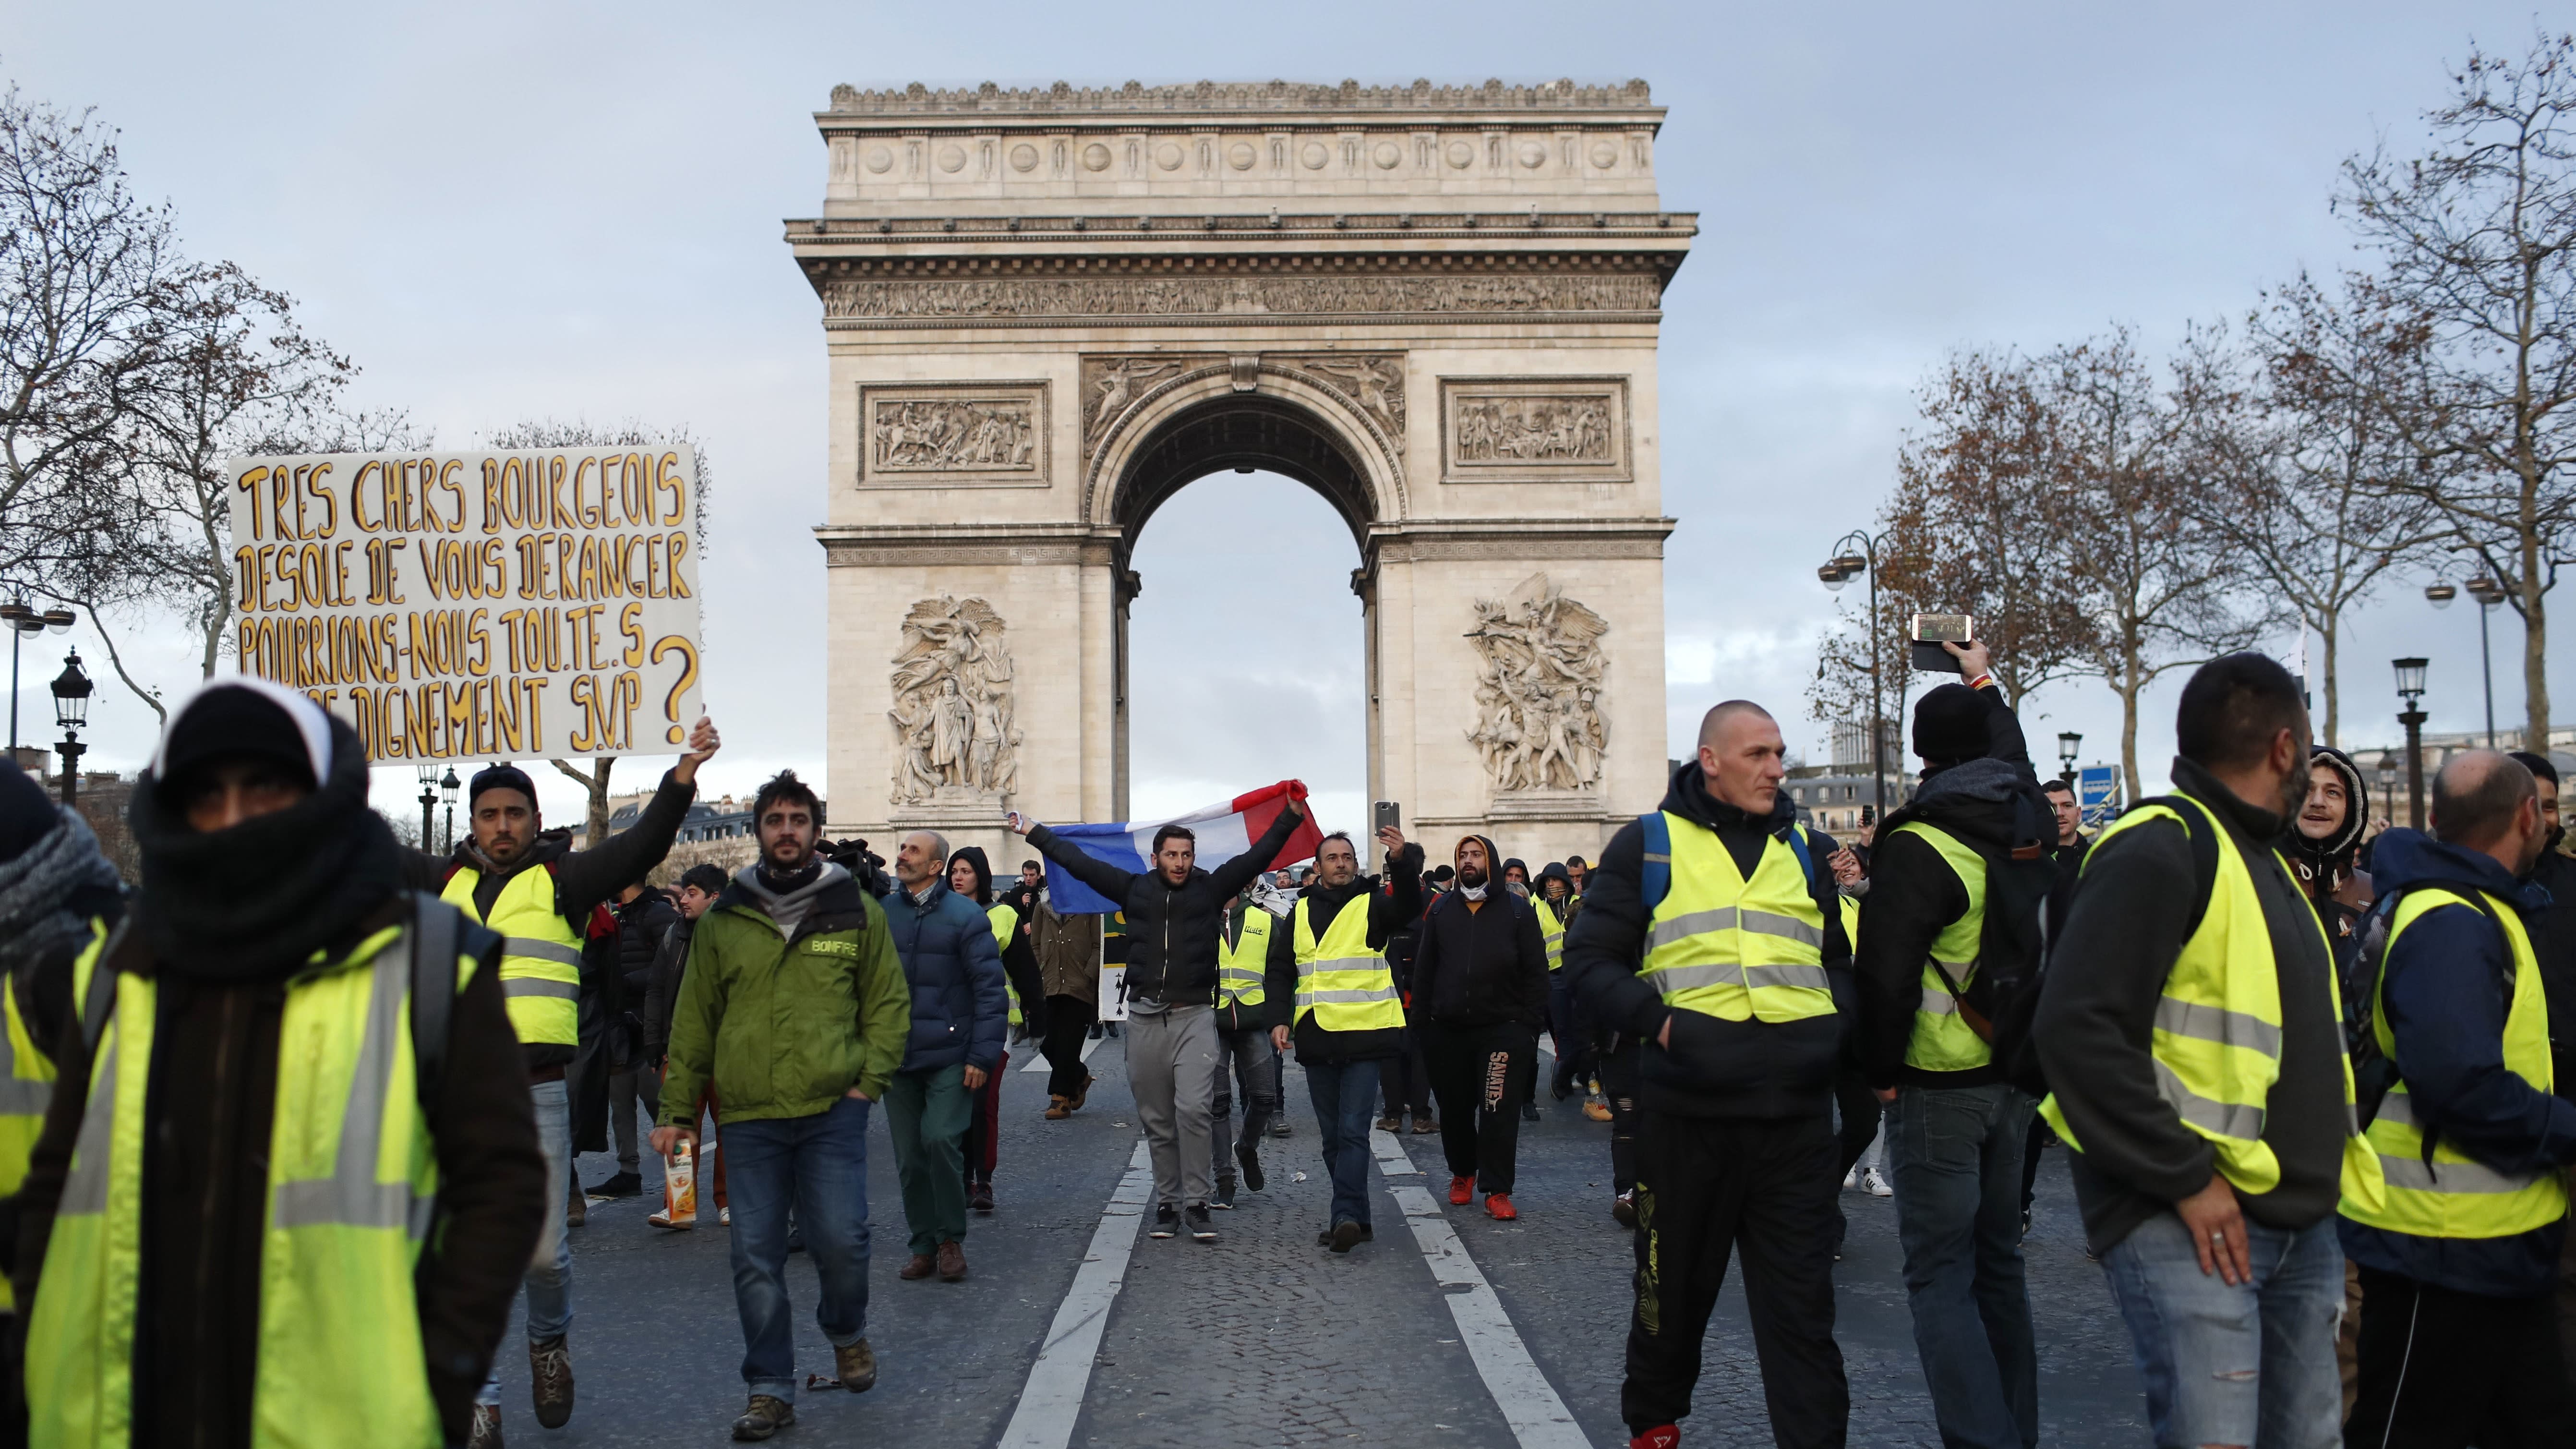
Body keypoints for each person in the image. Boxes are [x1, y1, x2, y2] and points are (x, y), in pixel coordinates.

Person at [14, 678, 545, 1449]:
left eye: (264, 785)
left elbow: (501, 1186)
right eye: (207, 792)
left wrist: (437, 1377)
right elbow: (53, 1197)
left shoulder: (429, 963)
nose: (234, 816)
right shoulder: (112, 972)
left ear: (321, 795)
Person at [2034, 654, 2375, 1449]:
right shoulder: (2161, 844)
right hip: (2196, 1214)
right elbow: (2075, 1028)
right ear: (2286, 749)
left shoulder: (2258, 860)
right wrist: (2184, 1176)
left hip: (2290, 1217)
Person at [397, 716, 718, 1437]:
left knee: (542, 1251)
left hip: (533, 1089)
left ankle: (548, 1342)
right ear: (472, 823)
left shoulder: (564, 880)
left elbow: (642, 845)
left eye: (514, 813)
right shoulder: (434, 880)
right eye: (489, 814)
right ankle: (478, 1393)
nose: (502, 824)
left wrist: (681, 776)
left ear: (535, 820)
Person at [1564, 697, 1854, 1449]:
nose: (1776, 767)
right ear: (1711, 760)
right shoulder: (1647, 845)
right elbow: (1590, 963)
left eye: (1780, 752)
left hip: (1794, 1117)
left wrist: (1839, 1036)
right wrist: (1663, 1023)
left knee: (1804, 1316)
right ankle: (1654, 1423)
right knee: (1671, 1297)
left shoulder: (1804, 849)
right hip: (1686, 1115)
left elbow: (1834, 962)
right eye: (1758, 753)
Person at [653, 771, 911, 1441]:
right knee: (755, 1255)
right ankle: (768, 1387)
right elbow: (695, 1017)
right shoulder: (724, 918)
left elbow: (887, 1005)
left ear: (816, 831)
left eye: (799, 819)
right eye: (776, 820)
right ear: (759, 831)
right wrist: (677, 1111)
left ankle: (845, 1327)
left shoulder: (858, 908)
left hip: (833, 1107)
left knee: (843, 1240)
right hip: (748, 1115)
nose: (787, 830)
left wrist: (868, 1086)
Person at [2340, 751, 2576, 1444]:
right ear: (2528, 815)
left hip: (2488, 1244)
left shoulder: (2466, 910)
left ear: (2436, 819)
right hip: (2441, 1249)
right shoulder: (2451, 922)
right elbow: (2460, 1085)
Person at [1852, 643, 2046, 1449]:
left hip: (1938, 1079)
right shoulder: (2025, 814)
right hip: (2017, 1073)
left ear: (1923, 754)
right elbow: (2014, 752)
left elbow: (1887, 976)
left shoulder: (1921, 842)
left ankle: (1979, 1439)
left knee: (1939, 1275)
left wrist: (1879, 1073)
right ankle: (2016, 1431)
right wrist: (1982, 676)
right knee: (1999, 1264)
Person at [1013, 797, 1308, 1244]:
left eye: (1187, 855)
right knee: (1157, 1119)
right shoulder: (1134, 890)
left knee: (1194, 1109)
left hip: (1194, 1016)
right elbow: (1078, 861)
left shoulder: (1210, 890)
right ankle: (1169, 1203)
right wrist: (1033, 830)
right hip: (1146, 1017)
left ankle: (1198, 1202)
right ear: (1155, 859)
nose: (1181, 862)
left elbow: (1257, 857)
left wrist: (1289, 817)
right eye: (1172, 854)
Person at [1264, 826, 1421, 1252]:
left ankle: (1345, 1216)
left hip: (1366, 1035)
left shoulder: (1375, 904)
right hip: (1317, 1036)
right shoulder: (1297, 913)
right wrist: (1279, 1019)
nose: (1340, 863)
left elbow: (1411, 904)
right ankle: (1359, 1218)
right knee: (1333, 1138)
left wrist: (1403, 861)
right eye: (1332, 857)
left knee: (1354, 1131)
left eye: (1347, 857)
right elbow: (1281, 968)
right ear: (1317, 868)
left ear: (1356, 864)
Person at [880, 832, 1007, 1281]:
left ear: (936, 866)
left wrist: (981, 1056)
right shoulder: (883, 914)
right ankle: (923, 1245)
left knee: (939, 1140)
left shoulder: (966, 916)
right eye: (902, 849)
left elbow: (990, 992)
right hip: (897, 1056)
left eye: (913, 850)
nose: (902, 855)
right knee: (910, 1157)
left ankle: (951, 1238)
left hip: (953, 1055)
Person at [1412, 833, 1550, 1220]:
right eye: (1463, 856)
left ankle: (1498, 1189)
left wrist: (1529, 1026)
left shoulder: (1518, 911)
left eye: (1476, 855)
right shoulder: (1441, 911)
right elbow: (1425, 971)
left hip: (1503, 1030)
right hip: (1448, 1030)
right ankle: (1462, 1174)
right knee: (1454, 1110)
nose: (1469, 861)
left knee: (1498, 1110)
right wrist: (1422, 1025)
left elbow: (1536, 972)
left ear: (1490, 860)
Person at [645, 862, 729, 1228]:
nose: (683, 901)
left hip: (727, 1050)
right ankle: (679, 1205)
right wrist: (654, 1043)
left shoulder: (740, 937)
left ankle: (729, 1203)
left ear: (716, 897)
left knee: (732, 1129)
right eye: (683, 893)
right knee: (678, 1125)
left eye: (692, 894)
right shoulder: (673, 936)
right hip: (679, 1051)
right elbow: (657, 991)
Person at [593, 880, 680, 1198]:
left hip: (651, 1027)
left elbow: (673, 964)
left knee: (661, 1104)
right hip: (620, 1026)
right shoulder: (619, 917)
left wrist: (624, 982)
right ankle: (628, 1172)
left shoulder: (659, 914)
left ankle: (680, 1179)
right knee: (620, 1102)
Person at [949, 846, 1011, 1214]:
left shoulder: (1003, 915)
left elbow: (1021, 966)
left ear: (982, 876)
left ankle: (983, 1178)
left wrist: (1037, 1012)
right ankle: (960, 1177)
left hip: (992, 1024)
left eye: (967, 871)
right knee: (954, 1104)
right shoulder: (936, 915)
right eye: (954, 870)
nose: (959, 877)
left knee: (982, 1104)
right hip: (948, 1026)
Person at [1211, 890, 1283, 1205]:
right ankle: (1224, 1179)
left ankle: (1246, 1148)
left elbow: (1280, 974)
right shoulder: (1200, 918)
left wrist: (1281, 1019)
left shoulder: (1264, 920)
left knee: (1266, 1098)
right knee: (1218, 1103)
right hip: (1209, 1021)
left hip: (1253, 1019)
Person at [1032, 887, 1102, 1118]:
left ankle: (1060, 1098)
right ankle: (1080, 1076)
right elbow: (1035, 944)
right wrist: (1041, 969)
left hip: (1078, 986)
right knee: (1048, 1045)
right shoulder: (1042, 905)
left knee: (1067, 1044)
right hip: (1050, 984)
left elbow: (1098, 945)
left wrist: (1087, 975)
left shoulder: (1090, 904)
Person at [999, 858, 1048, 1045]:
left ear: (1038, 875)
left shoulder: (1044, 894)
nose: (1028, 879)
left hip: (1039, 945)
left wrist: (1033, 926)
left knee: (1037, 986)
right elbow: (1009, 917)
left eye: (1032, 876)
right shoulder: (1016, 894)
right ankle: (1022, 1026)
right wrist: (1020, 904)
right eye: (1026, 875)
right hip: (1020, 946)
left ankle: (1040, 1026)